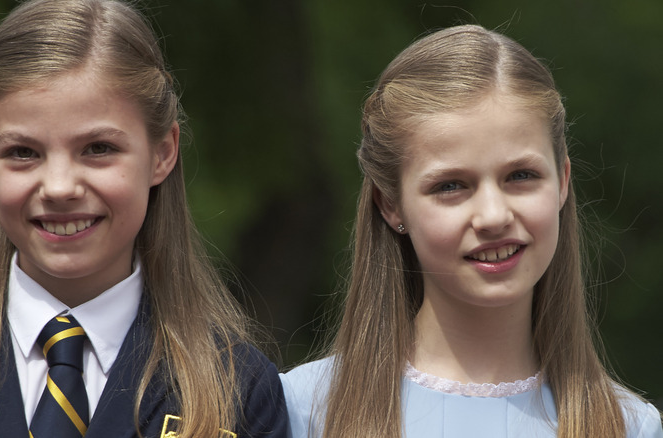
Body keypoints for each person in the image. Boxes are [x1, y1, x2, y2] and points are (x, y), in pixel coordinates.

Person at [0, 0, 288, 437]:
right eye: (23, 152)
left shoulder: (236, 392)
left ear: (163, 153)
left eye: (98, 149)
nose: (59, 187)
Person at [280, 24, 662, 438]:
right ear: (390, 204)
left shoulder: (628, 426)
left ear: (563, 181)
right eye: (450, 186)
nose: (494, 216)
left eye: (521, 175)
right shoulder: (305, 410)